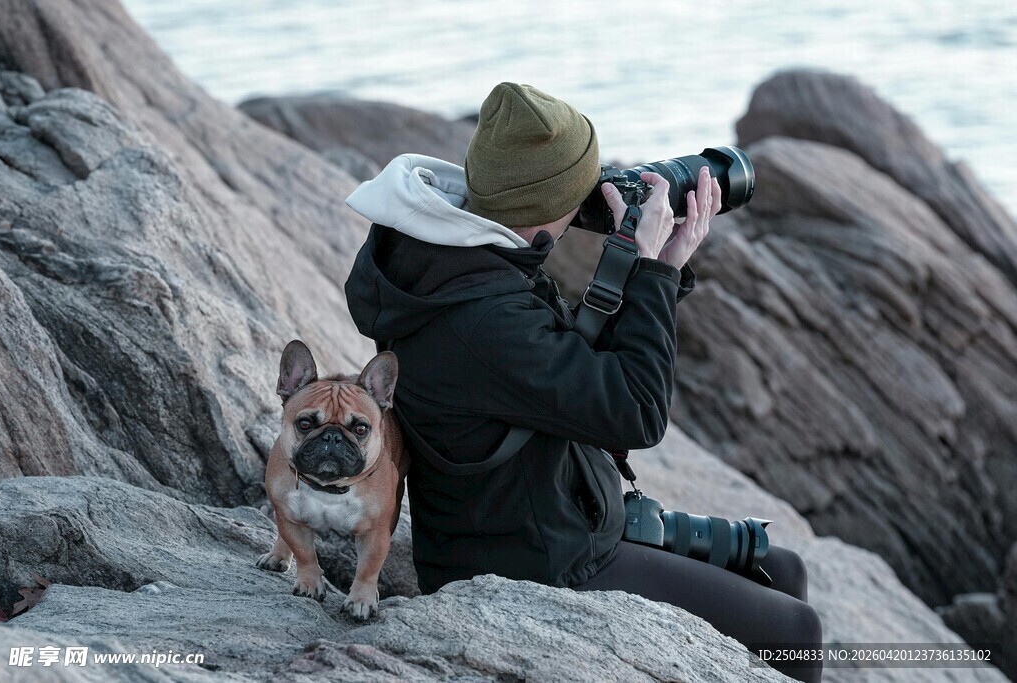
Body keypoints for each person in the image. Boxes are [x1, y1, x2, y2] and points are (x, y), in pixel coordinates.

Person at [344, 82, 822, 682]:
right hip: (532, 557)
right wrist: (651, 272)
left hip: (544, 509)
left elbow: (558, 365)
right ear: (546, 203)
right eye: (581, 189)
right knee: (797, 632)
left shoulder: (453, 252)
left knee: (784, 570)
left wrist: (650, 264)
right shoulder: (484, 316)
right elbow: (636, 413)